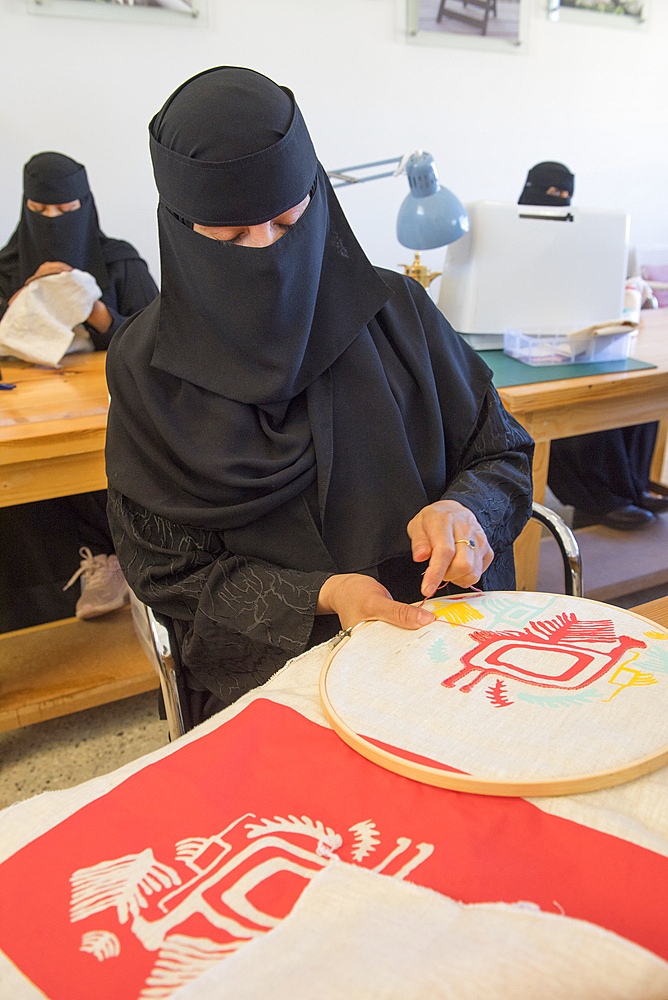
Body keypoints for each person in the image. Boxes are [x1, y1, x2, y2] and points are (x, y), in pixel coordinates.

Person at [105, 67, 534, 725]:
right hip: (274, 673)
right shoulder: (147, 370)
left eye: (286, 221)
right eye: (232, 238)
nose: (268, 252)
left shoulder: (401, 314)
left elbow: (500, 453)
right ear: (181, 231)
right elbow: (167, 571)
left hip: (441, 644)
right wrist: (327, 594)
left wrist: (463, 508)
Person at [0, 153, 159, 631]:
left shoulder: (121, 261)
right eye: (40, 211)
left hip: (107, 404)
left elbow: (159, 338)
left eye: (66, 211)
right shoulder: (6, 269)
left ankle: (131, 562)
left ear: (85, 206)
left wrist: (97, 312)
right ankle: (56, 592)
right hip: (33, 410)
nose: (53, 222)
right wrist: (21, 313)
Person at [518, 161, 668, 530]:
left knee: (633, 399)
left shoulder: (578, 235)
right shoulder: (511, 235)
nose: (561, 200)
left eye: (566, 193)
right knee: (584, 408)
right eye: (552, 192)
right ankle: (599, 500)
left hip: (580, 336)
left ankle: (632, 488)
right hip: (527, 346)